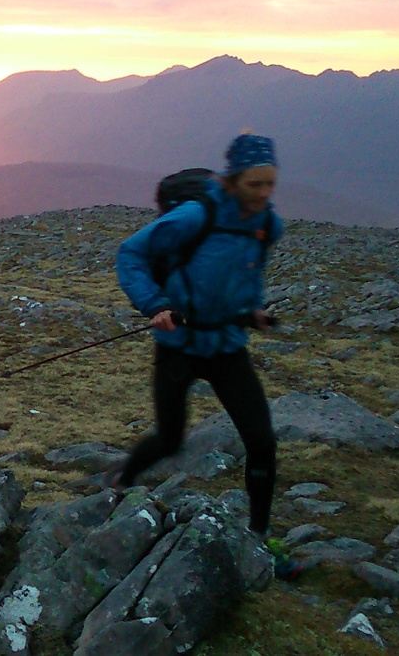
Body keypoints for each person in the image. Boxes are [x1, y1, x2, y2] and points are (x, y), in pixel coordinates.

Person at [114, 133, 301, 578]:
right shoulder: (196, 216)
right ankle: (120, 482)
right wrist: (155, 304)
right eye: (255, 184)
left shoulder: (265, 225)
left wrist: (251, 310)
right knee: (171, 438)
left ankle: (258, 537)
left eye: (270, 184)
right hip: (179, 344)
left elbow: (246, 272)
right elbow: (131, 254)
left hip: (227, 347)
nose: (264, 194)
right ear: (233, 179)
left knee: (261, 441)